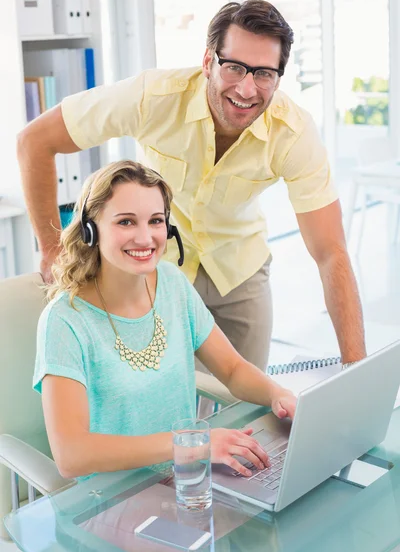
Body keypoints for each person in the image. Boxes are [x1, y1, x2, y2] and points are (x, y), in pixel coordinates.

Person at [19, 0, 366, 372]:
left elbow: (331, 252)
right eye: (234, 67)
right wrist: (50, 249)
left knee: (250, 408)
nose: (247, 89)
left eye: (264, 73)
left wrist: (355, 369)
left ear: (279, 78)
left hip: (239, 269)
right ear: (207, 62)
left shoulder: (294, 133)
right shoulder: (152, 98)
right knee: (164, 403)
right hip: (155, 268)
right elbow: (35, 142)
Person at [34, 160, 296, 480]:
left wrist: (278, 394)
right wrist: (192, 445)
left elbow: (232, 368)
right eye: (126, 222)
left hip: (188, 478)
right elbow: (72, 456)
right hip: (112, 501)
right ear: (91, 229)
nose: (145, 238)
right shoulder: (64, 321)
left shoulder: (171, 283)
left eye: (156, 221)